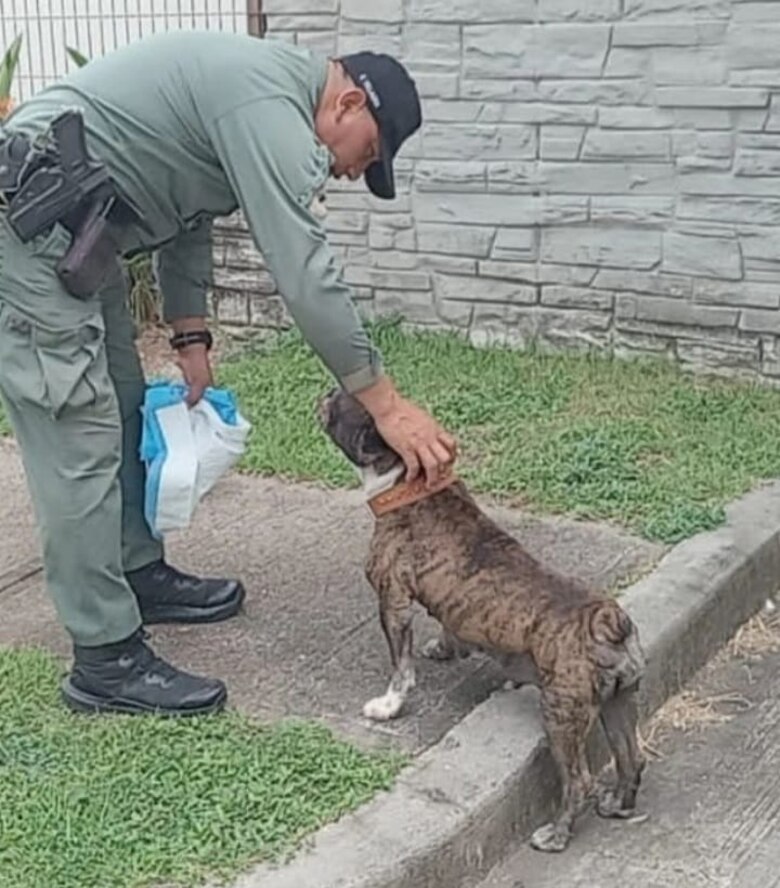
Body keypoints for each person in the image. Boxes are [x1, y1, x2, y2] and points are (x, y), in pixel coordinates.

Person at [0, 29, 457, 717]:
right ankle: (104, 657)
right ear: (350, 101)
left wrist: (189, 331)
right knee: (79, 435)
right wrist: (385, 404)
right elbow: (304, 272)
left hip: (79, 229)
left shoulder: (256, 97)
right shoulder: (267, 103)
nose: (352, 173)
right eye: (367, 155)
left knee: (124, 404)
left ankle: (135, 570)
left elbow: (189, 202)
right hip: (28, 226)